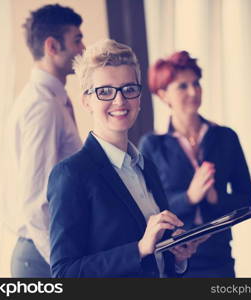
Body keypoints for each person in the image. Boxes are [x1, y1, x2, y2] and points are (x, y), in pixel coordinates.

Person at [47, 39, 204, 278]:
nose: (120, 100)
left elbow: (156, 257)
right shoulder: (71, 174)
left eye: (129, 89)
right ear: (86, 100)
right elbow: (64, 273)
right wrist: (139, 249)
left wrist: (175, 254)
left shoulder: (146, 166)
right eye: (105, 91)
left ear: (139, 97)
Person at [139, 51, 251, 277]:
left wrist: (216, 198)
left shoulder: (226, 137)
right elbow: (147, 211)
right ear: (163, 94)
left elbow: (248, 203)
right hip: (173, 259)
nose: (194, 91)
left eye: (196, 83)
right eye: (182, 86)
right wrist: (189, 197)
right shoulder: (151, 144)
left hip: (220, 258)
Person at [1, 4, 84, 277]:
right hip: (42, 258)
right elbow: (36, 202)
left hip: (45, 253)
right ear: (52, 46)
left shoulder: (49, 101)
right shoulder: (43, 106)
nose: (83, 49)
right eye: (76, 40)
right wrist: (63, 265)